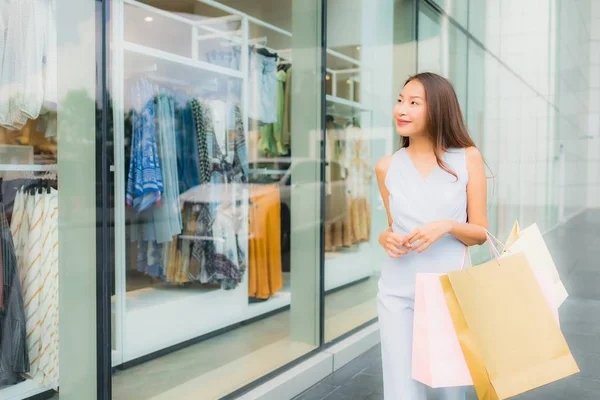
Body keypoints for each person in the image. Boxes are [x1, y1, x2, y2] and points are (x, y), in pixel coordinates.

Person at [375, 72, 488, 399]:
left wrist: (448, 226)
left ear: (437, 109)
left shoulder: (467, 158)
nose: (401, 109)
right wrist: (386, 238)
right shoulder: (386, 166)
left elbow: (480, 232)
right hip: (397, 291)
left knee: (451, 390)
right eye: (400, 100)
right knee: (400, 389)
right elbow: (393, 225)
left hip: (447, 291)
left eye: (413, 102)